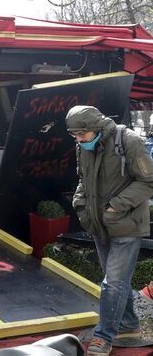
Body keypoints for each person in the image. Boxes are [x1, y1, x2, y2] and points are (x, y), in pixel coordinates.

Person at [66, 105, 153, 356]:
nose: (78, 140)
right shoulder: (82, 145)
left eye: (81, 134)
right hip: (98, 224)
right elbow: (83, 179)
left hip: (127, 224)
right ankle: (130, 323)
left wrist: (116, 205)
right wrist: (80, 204)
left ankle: (103, 337)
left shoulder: (129, 141)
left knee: (112, 283)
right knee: (117, 282)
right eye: (75, 136)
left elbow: (148, 180)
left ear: (96, 127)